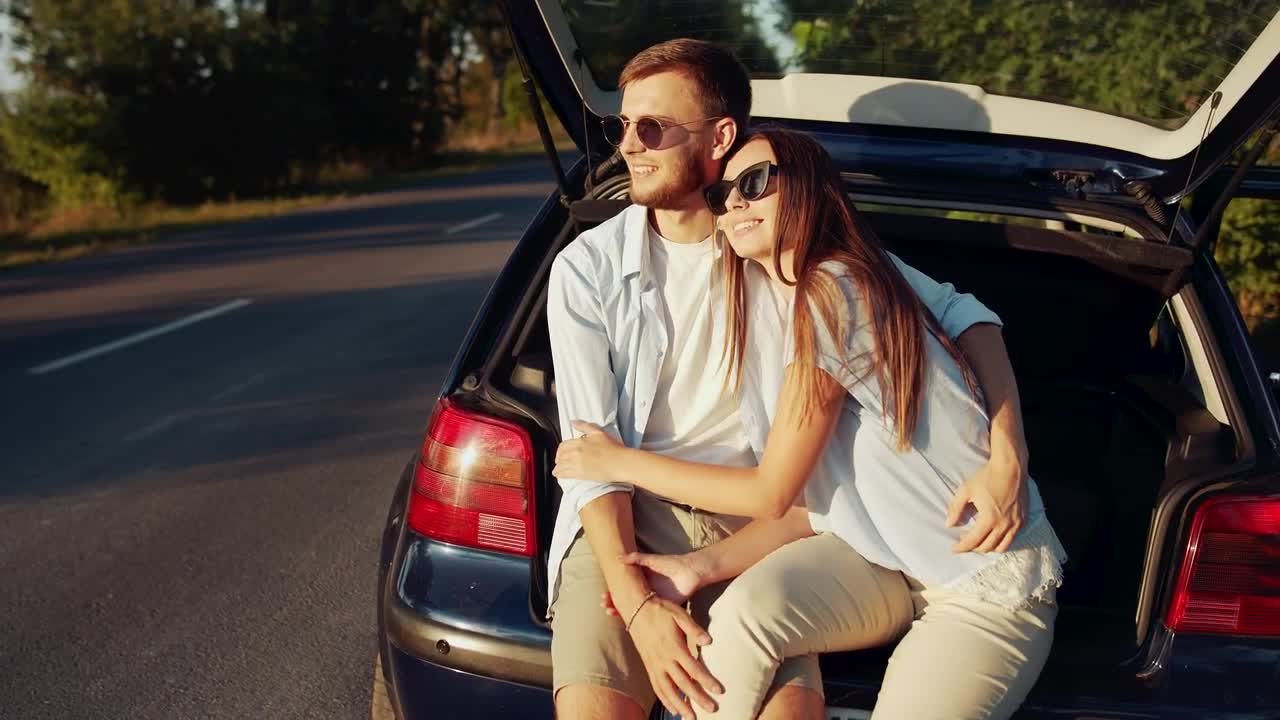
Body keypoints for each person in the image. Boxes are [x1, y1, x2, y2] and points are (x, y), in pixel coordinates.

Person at [547, 41, 1034, 720]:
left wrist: (1008, 453)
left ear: (719, 136)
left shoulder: (779, 240)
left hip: (766, 520)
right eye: (621, 126)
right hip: (626, 519)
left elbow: (964, 313)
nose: (629, 144)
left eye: (652, 126)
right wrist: (638, 608)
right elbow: (595, 467)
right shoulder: (586, 270)